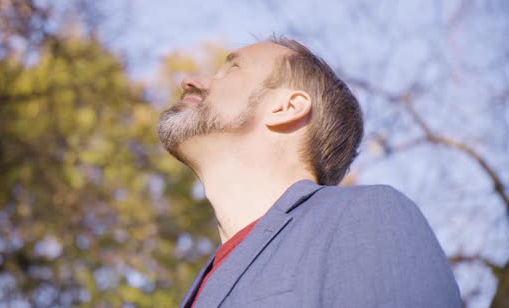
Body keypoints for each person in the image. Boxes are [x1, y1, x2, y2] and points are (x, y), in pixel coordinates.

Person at [157, 37, 462, 308]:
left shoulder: (365, 216)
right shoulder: (204, 282)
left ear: (286, 107)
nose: (190, 80)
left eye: (232, 70)